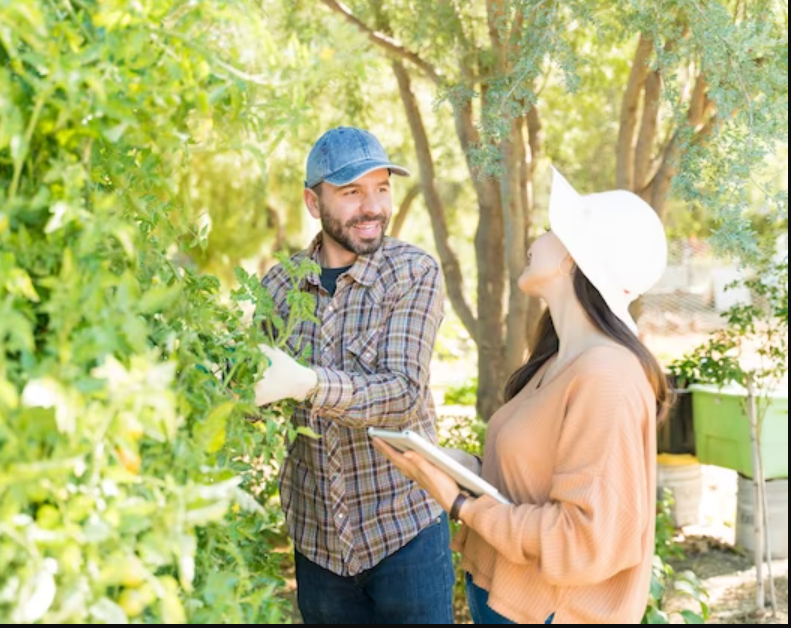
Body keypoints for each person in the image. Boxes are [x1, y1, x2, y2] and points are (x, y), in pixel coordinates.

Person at [375, 167, 671, 624]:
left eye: (554, 230)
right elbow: (524, 484)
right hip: (506, 598)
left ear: (573, 260)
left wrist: (460, 503)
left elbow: (583, 540)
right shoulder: (557, 361)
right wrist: (452, 464)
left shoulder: (608, 376)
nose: (540, 234)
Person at [253, 127, 455, 624]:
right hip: (317, 542)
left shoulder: (412, 273)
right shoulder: (279, 285)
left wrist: (308, 383)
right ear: (312, 201)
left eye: (381, 188)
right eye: (351, 192)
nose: (373, 207)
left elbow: (403, 393)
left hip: (404, 532)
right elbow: (252, 391)